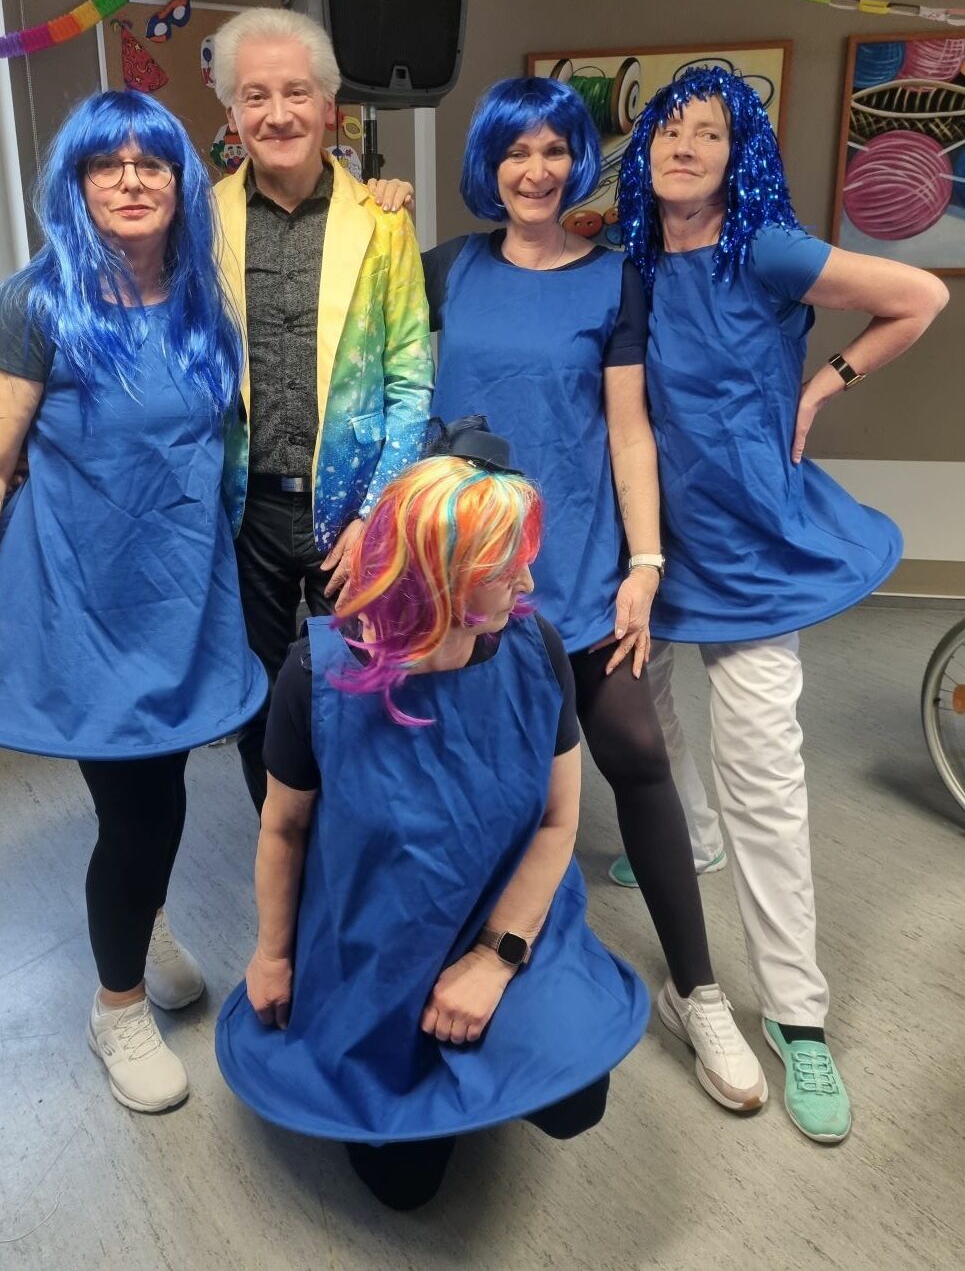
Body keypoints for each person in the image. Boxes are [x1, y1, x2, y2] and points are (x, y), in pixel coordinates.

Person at [0, 91, 267, 1114]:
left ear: (181, 182)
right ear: (78, 182)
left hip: (180, 594)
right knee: (143, 808)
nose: (132, 180)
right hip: (80, 601)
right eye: (109, 164)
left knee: (153, 788)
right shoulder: (36, 304)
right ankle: (117, 1007)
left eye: (153, 162)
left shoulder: (202, 297)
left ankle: (139, 920)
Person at [615, 65, 949, 1144]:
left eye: (708, 133)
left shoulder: (768, 248)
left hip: (752, 547)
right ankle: (692, 834)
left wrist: (823, 382)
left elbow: (921, 297)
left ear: (737, 154)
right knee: (649, 726)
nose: (684, 148)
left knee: (764, 776)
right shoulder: (626, 252)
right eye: (668, 130)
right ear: (644, 147)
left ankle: (798, 1018)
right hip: (650, 544)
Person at [423, 76, 765, 1113]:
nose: (535, 171)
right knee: (474, 783)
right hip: (462, 582)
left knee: (639, 756)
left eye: (554, 150)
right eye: (515, 152)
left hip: (572, 570)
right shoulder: (442, 269)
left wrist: (645, 564)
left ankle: (696, 992)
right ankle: (471, 966)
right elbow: (387, 395)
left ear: (579, 161)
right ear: (488, 164)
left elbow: (628, 432)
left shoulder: (615, 278)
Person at [216, 426, 649, 1210]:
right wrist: (272, 955)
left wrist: (494, 958)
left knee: (573, 1102)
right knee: (404, 1189)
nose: (527, 579)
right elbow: (283, 830)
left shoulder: (535, 649)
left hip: (503, 915)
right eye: (502, 567)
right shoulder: (314, 675)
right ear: (436, 577)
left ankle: (490, 1040)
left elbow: (558, 824)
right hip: (375, 940)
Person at [209, 7, 433, 816]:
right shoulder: (199, 221)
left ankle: (359, 857)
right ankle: (284, 855)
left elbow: (410, 384)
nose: (277, 114)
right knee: (260, 706)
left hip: (354, 518)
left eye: (295, 93)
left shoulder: (381, 222)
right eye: (255, 96)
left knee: (371, 695)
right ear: (232, 113)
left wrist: (373, 517)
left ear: (328, 106)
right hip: (245, 518)